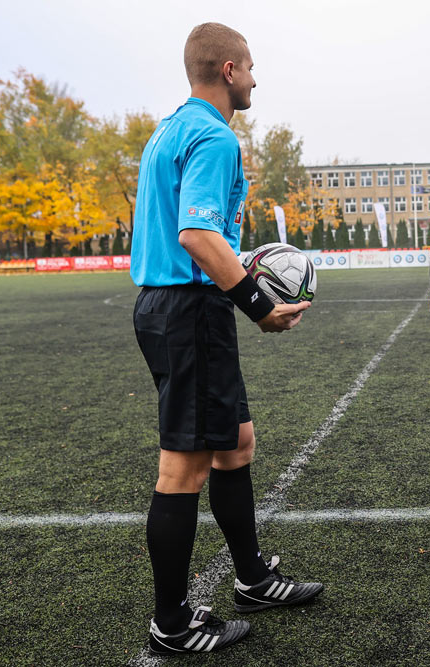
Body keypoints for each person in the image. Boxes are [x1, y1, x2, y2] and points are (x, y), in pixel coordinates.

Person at [130, 23, 322, 655]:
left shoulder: (170, 129)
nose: (256, 78)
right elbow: (197, 236)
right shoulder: (213, 136)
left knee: (237, 441)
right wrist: (258, 303)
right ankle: (173, 623)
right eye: (252, 67)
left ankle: (252, 579)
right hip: (189, 313)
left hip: (167, 309)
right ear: (231, 70)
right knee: (182, 468)